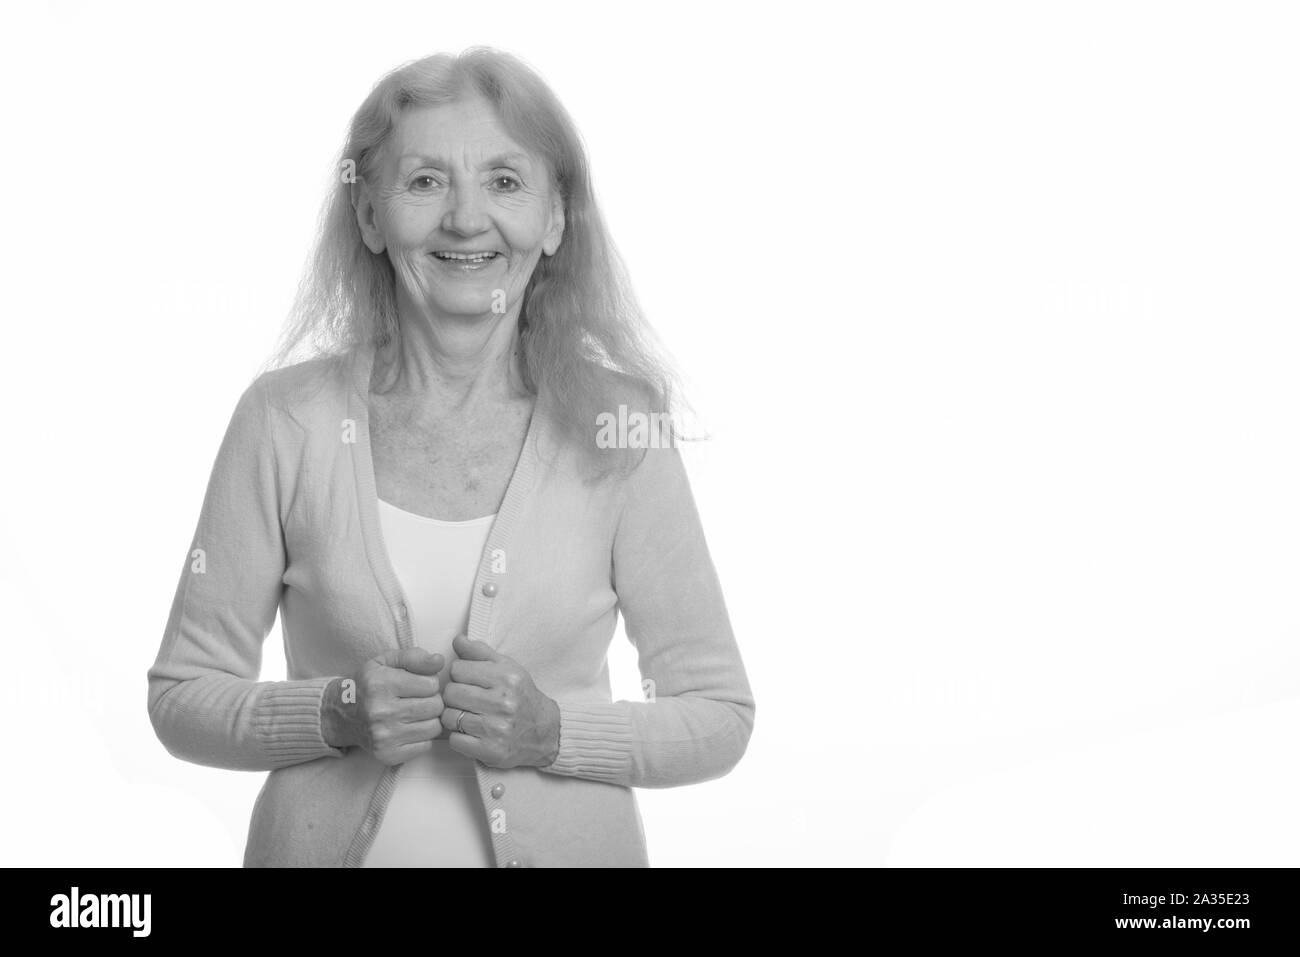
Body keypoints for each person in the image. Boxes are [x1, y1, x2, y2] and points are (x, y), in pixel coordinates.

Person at [147, 47, 754, 867]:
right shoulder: (286, 419)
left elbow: (718, 714)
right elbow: (182, 695)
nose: (467, 219)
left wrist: (552, 732)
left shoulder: (623, 429)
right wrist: (333, 711)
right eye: (426, 180)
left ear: (555, 218)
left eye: (505, 181)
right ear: (369, 215)